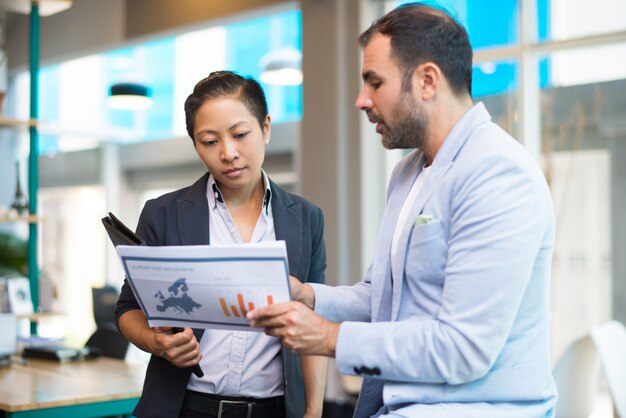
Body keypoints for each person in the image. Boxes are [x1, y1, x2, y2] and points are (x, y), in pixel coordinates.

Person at [248, 3, 557, 418]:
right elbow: (383, 297)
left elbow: (462, 348)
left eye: (374, 82)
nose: (361, 100)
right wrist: (307, 296)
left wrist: (329, 338)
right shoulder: (409, 172)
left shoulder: (497, 173)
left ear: (427, 81)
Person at [115, 71, 327, 418]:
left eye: (241, 134)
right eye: (209, 141)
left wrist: (313, 411)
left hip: (272, 411)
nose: (228, 153)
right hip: (185, 407)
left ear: (266, 127)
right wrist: (157, 343)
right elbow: (127, 309)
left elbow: (314, 321)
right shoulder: (163, 213)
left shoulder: (307, 219)